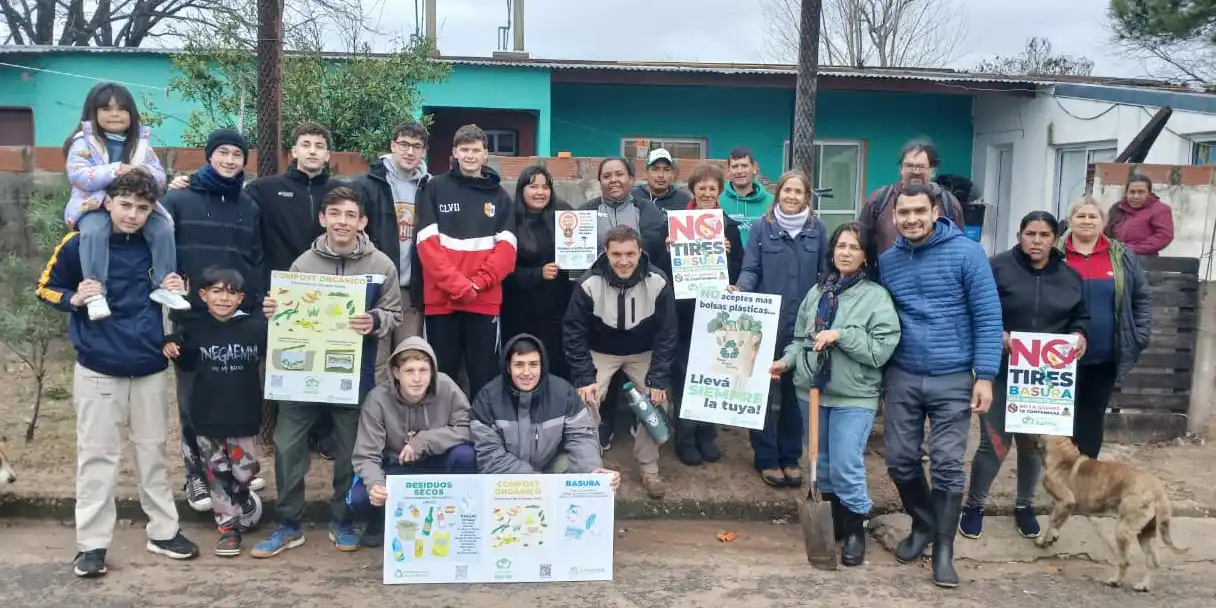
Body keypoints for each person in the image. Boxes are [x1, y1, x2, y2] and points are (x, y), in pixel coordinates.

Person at [36, 170, 200, 578]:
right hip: (98, 366)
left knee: (153, 453)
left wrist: (180, 286)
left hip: (148, 366)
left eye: (143, 208)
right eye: (125, 205)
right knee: (97, 458)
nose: (132, 215)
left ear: (152, 211)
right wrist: (74, 297)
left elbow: (176, 298)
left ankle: (163, 532)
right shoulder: (80, 244)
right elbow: (45, 287)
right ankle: (91, 545)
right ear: (107, 202)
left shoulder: (161, 243)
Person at [254, 187, 402, 558]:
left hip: (355, 375)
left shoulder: (381, 265)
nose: (342, 221)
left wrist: (375, 319)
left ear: (362, 222)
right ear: (323, 218)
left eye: (350, 215)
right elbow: (287, 315)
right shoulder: (303, 264)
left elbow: (395, 314)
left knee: (351, 448)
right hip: (302, 374)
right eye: (335, 213)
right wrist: (275, 309)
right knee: (288, 447)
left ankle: (343, 518)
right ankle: (288, 523)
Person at [877, 182, 1002, 588]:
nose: (911, 219)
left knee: (948, 464)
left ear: (935, 212)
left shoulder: (967, 254)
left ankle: (944, 550)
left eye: (919, 211)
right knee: (898, 460)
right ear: (894, 218)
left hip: (953, 375)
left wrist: (985, 375)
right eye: (903, 213)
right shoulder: (889, 260)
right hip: (904, 374)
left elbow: (987, 316)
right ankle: (923, 522)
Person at [770, 221, 900, 567]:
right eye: (841, 246)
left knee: (846, 464)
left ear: (865, 256)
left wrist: (841, 335)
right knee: (820, 464)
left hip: (853, 396)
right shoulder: (817, 294)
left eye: (854, 247)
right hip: (811, 391)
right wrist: (784, 362)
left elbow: (880, 351)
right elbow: (800, 341)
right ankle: (836, 523)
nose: (846, 252)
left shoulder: (876, 297)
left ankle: (857, 527)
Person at [960, 211, 1089, 541]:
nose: (1037, 241)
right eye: (1031, 233)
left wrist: (1080, 336)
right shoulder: (997, 267)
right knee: (994, 443)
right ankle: (974, 506)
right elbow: (975, 307)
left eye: (1045, 235)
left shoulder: (1071, 276)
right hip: (1002, 371)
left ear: (1054, 239)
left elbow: (1081, 317)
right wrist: (997, 333)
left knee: (1033, 446)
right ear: (1020, 235)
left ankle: (1024, 505)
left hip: (1044, 378)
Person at [161, 127, 266, 512]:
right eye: (222, 153)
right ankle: (197, 475)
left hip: (236, 317)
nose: (229, 161)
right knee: (192, 399)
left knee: (236, 393)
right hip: (191, 316)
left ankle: (239, 466)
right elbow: (160, 249)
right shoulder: (178, 198)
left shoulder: (248, 204)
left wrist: (252, 306)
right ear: (209, 156)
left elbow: (254, 258)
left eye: (237, 155)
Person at [247, 122, 347, 461]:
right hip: (283, 294)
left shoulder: (340, 192)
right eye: (306, 144)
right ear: (293, 151)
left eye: (319, 145)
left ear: (328, 154)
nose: (313, 150)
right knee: (285, 362)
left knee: (324, 361)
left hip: (329, 292)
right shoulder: (263, 189)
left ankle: (321, 433)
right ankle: (281, 430)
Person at [163, 267, 269, 557]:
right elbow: (184, 363)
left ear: (241, 298)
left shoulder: (256, 328)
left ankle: (244, 496)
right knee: (217, 475)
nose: (224, 298)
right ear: (203, 295)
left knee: (244, 472)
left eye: (231, 292)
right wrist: (172, 346)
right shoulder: (194, 329)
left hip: (244, 417)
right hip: (206, 418)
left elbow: (281, 345)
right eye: (216, 291)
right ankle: (229, 529)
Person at [564, 226, 677, 498]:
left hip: (643, 352)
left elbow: (668, 332)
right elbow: (573, 332)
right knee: (585, 400)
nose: (623, 261)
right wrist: (584, 376)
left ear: (640, 252)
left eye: (630, 254)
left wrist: (658, 378)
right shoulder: (588, 282)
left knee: (658, 402)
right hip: (601, 351)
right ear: (606, 252)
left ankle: (649, 469)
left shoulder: (658, 281)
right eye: (616, 254)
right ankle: (589, 469)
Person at [62, 82, 190, 320]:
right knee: (94, 231)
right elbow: (78, 175)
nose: (114, 115)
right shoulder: (83, 142)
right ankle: (95, 292)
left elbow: (160, 178)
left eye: (121, 109)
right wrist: (116, 170)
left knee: (163, 227)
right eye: (106, 109)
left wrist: (141, 173)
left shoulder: (141, 145)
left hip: (135, 205)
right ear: (93, 112)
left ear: (131, 114)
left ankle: (163, 284)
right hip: (95, 204)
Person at [733, 170, 828, 489]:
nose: (791, 196)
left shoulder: (818, 230)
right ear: (779, 194)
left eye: (798, 191)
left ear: (806, 197)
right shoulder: (762, 227)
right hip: (764, 324)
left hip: (802, 327)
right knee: (760, 391)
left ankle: (790, 456)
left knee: (794, 391)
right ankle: (766, 456)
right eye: (787, 190)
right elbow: (751, 269)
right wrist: (741, 291)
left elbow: (825, 276)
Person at [415, 124, 516, 398]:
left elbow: (507, 252)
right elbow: (427, 246)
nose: (470, 155)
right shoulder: (433, 188)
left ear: (485, 155)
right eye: (464, 149)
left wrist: (477, 284)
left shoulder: (500, 197)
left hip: (483, 302)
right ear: (454, 153)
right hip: (441, 302)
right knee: (440, 375)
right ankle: (440, 435)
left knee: (484, 376)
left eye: (476, 150)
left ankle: (482, 435)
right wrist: (460, 286)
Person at [349, 337, 476, 547]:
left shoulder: (447, 387)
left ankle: (455, 520)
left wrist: (424, 441)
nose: (417, 378)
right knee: (360, 497)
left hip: (436, 463)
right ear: (397, 373)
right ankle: (378, 522)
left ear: (432, 371)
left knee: (465, 456)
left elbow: (467, 428)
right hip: (396, 467)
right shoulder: (377, 399)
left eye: (423, 370)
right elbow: (366, 455)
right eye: (409, 371)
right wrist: (376, 485)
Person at [581, 156, 669, 451]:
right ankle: (599, 433)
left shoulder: (650, 212)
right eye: (607, 175)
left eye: (620, 174)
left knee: (647, 389)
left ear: (632, 179)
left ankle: (642, 435)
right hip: (598, 309)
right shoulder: (585, 212)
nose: (614, 180)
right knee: (596, 384)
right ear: (600, 180)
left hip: (640, 309)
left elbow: (657, 254)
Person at [1060, 198, 1152, 458]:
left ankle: (1086, 481)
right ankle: (1060, 484)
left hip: (1104, 355)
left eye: (1093, 217)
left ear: (1103, 222)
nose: (1087, 221)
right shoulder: (1055, 253)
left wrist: (1139, 337)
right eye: (1081, 216)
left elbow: (1142, 298)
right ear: (1070, 221)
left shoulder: (1121, 256)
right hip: (1059, 356)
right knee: (1060, 420)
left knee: (1091, 416)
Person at [471, 334, 619, 490]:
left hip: (550, 469)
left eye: (533, 364)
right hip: (507, 480)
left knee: (582, 471)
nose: (527, 373)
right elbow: (490, 455)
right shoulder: (487, 398)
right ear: (508, 367)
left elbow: (581, 437)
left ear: (542, 366)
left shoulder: (563, 393)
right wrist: (534, 479)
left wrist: (594, 474)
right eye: (519, 365)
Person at [669, 162, 743, 466]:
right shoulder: (677, 224)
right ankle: (685, 437)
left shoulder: (728, 226)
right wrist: (669, 248)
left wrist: (726, 254)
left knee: (712, 375)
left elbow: (740, 269)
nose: (707, 193)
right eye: (702, 188)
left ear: (720, 191)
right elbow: (662, 269)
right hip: (684, 313)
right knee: (685, 375)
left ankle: (706, 434)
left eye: (713, 188)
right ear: (693, 190)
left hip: (715, 313)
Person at [355, 120, 432, 375]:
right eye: (404, 145)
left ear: (424, 152)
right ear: (392, 146)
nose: (410, 152)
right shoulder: (368, 184)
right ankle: (376, 415)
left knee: (409, 359)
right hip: (376, 287)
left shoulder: (430, 187)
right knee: (377, 361)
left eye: (417, 147)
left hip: (412, 289)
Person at [502, 165, 574, 382]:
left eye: (545, 187)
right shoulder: (509, 220)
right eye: (533, 187)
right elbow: (504, 271)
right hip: (520, 311)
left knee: (556, 365)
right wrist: (537, 273)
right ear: (521, 189)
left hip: (557, 310)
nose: (540, 192)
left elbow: (580, 256)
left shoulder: (563, 216)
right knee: (523, 368)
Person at [859, 139, 966, 267]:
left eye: (921, 166)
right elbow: (860, 242)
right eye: (909, 165)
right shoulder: (879, 200)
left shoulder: (948, 203)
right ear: (901, 169)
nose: (915, 171)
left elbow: (959, 248)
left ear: (932, 170)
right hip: (887, 280)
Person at [1105, 174, 1175, 256]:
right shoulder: (1118, 207)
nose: (1136, 196)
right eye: (1132, 192)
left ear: (1149, 193)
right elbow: (1106, 232)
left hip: (1143, 261)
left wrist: (1131, 249)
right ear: (1126, 193)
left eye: (1141, 192)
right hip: (1114, 258)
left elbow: (1163, 236)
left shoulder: (1159, 209)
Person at [718, 146, 774, 245]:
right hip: (732, 259)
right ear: (729, 170)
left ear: (754, 168)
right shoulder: (718, 201)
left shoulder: (772, 202)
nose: (739, 171)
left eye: (744, 165)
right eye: (735, 167)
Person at [632, 148, 692, 212]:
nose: (661, 175)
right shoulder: (632, 196)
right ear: (646, 172)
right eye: (655, 169)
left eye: (666, 170)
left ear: (671, 173)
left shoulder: (684, 200)